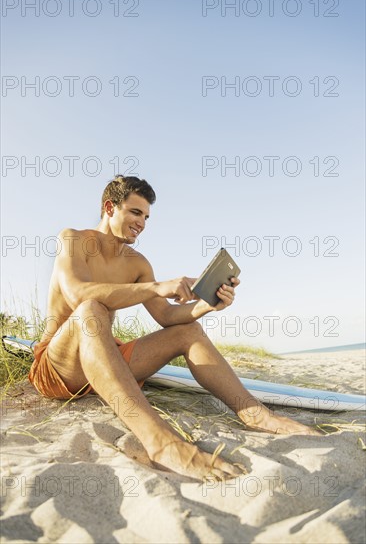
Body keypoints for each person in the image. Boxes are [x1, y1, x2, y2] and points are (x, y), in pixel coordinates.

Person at [29, 176, 317, 481]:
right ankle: (161, 443)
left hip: (105, 363)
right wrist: (157, 287)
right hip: (59, 369)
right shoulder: (74, 239)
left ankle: (254, 413)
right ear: (109, 207)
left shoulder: (138, 263)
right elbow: (78, 294)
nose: (142, 223)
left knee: (188, 331)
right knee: (90, 310)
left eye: (147, 217)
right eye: (135, 212)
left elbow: (167, 315)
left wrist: (209, 304)